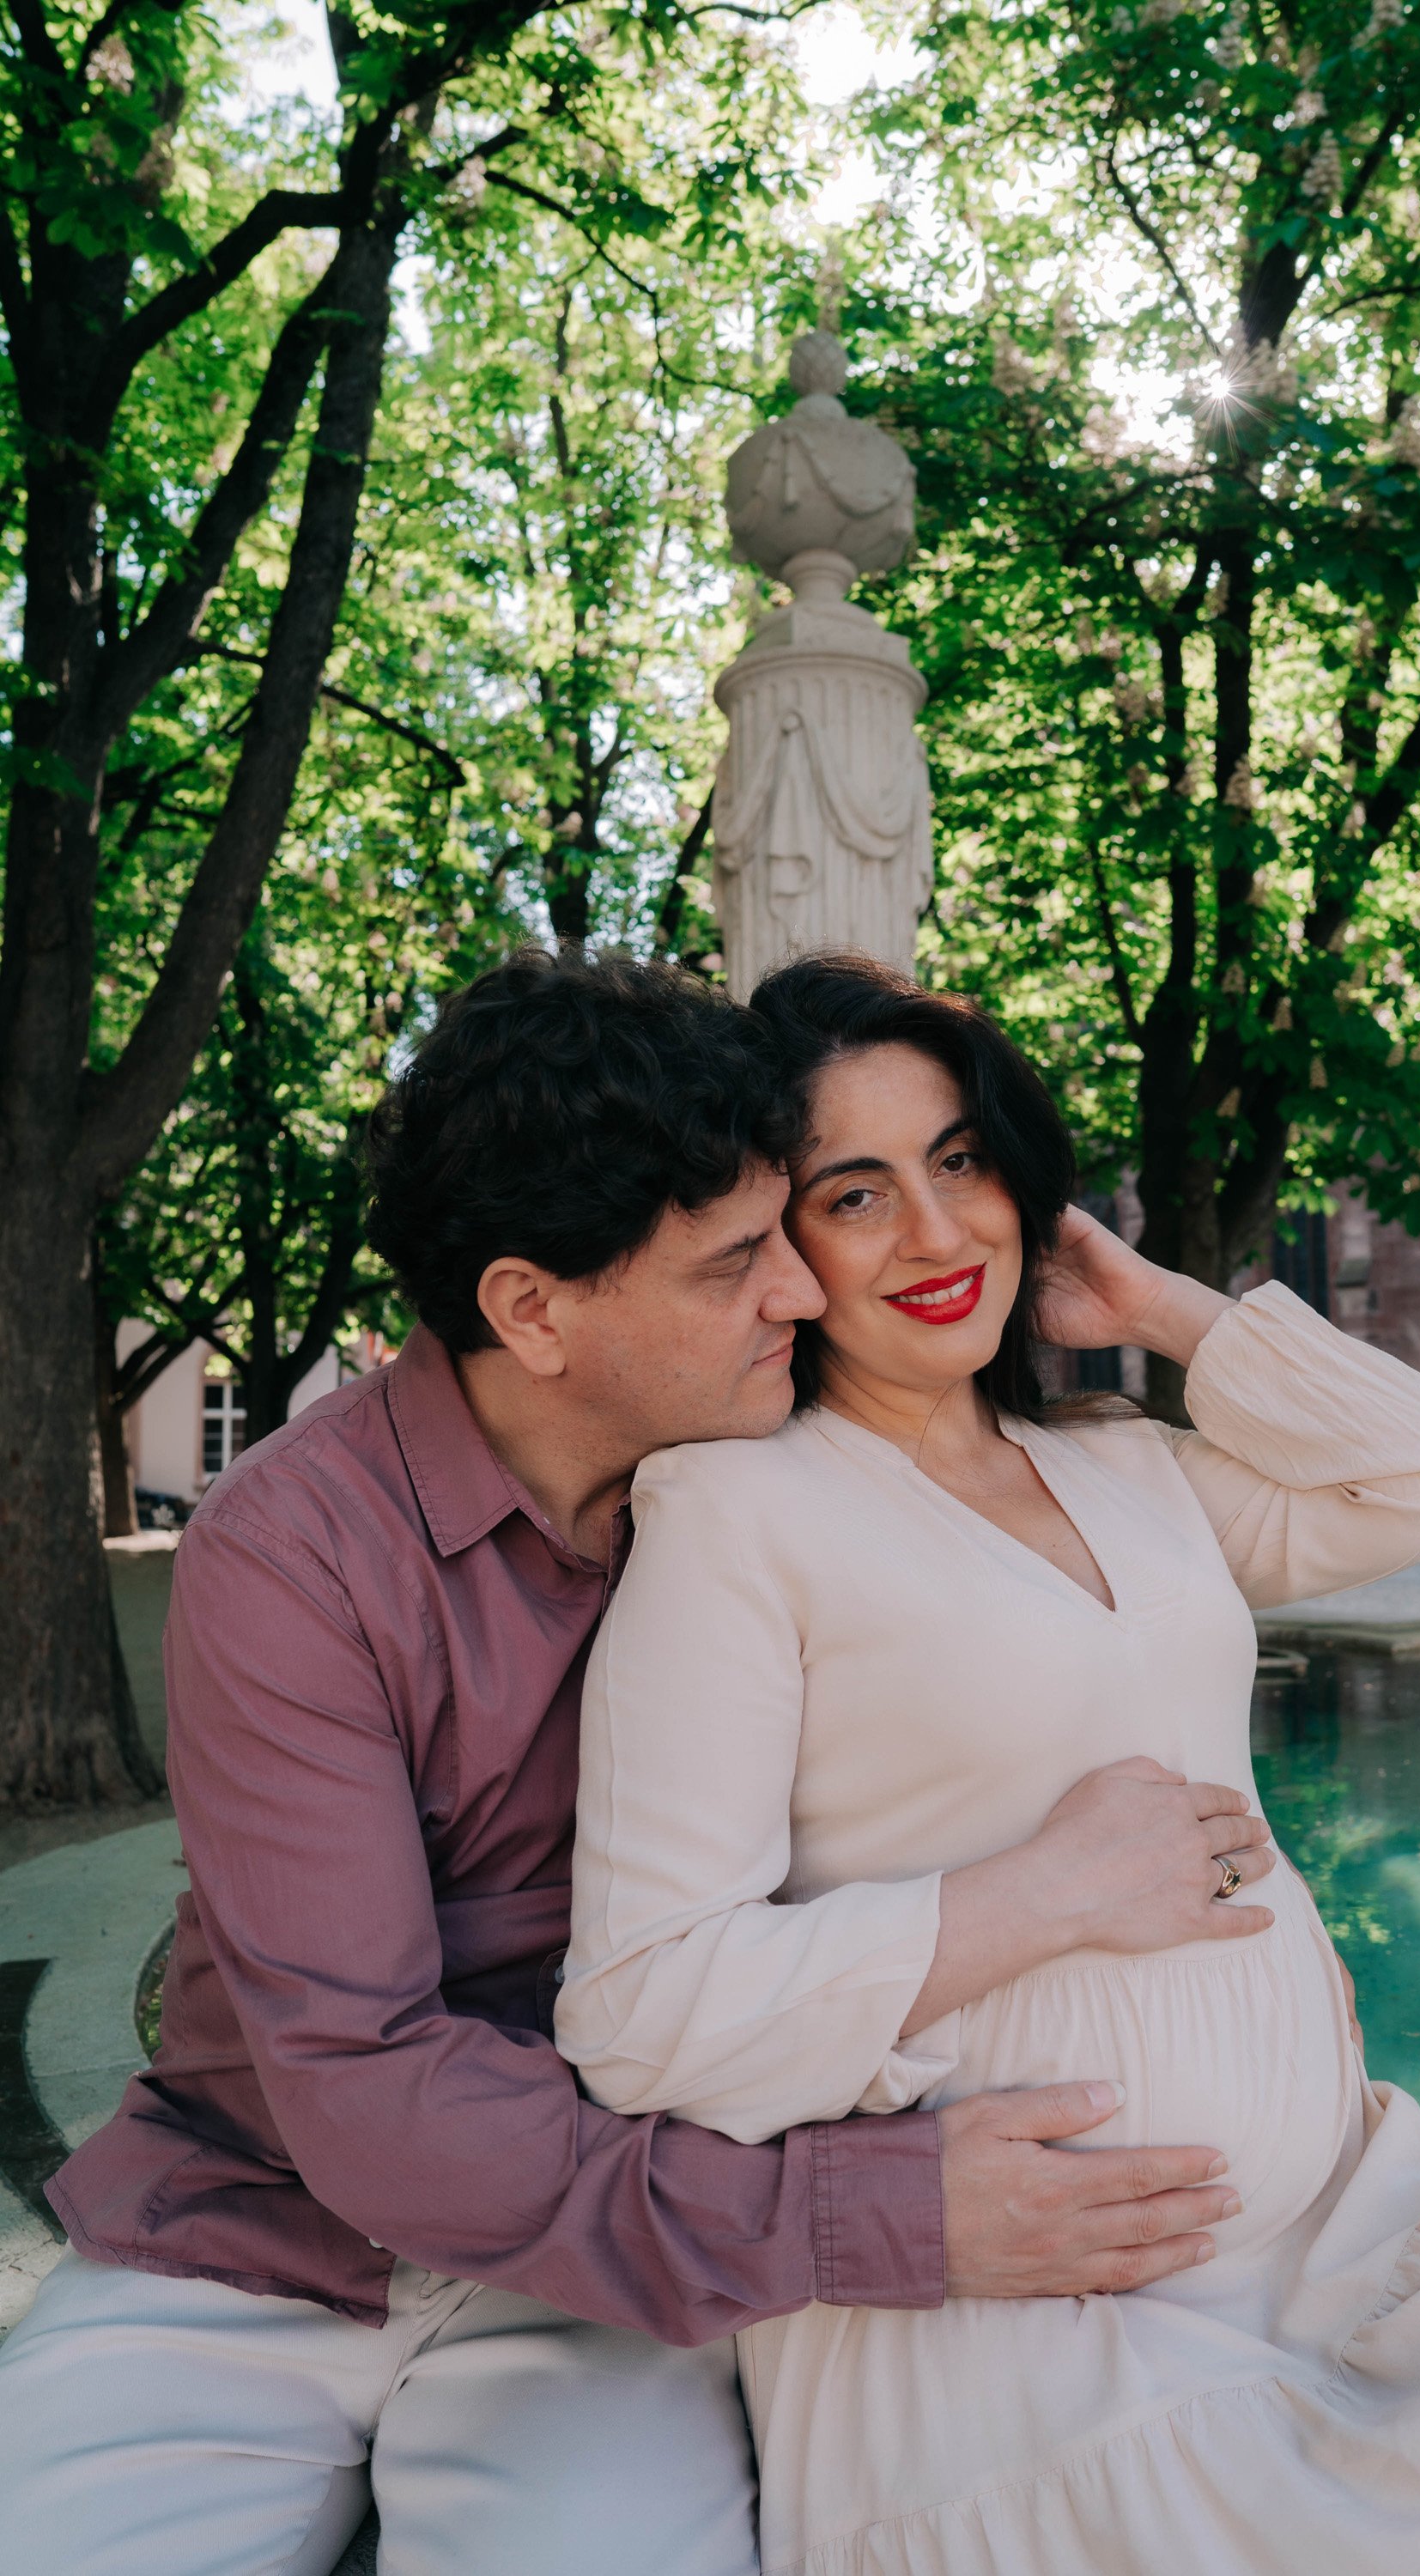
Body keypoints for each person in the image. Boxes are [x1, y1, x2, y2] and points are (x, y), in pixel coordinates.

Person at [0, 951, 1273, 2576]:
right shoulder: (295, 1552)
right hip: (251, 2235)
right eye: (738, 1261)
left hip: (602, 2282)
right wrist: (872, 2214)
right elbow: (369, 2086)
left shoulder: (801, 1497)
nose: (804, 1294)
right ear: (533, 1310)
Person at [557, 952, 1420, 2576]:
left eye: (961, 1162)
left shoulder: (1123, 1465)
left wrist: (1161, 1308)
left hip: (1351, 2235)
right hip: (1028, 2319)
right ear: (786, 1247)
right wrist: (1041, 1894)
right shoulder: (738, 1518)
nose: (938, 1232)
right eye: (858, 1193)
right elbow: (645, 2011)